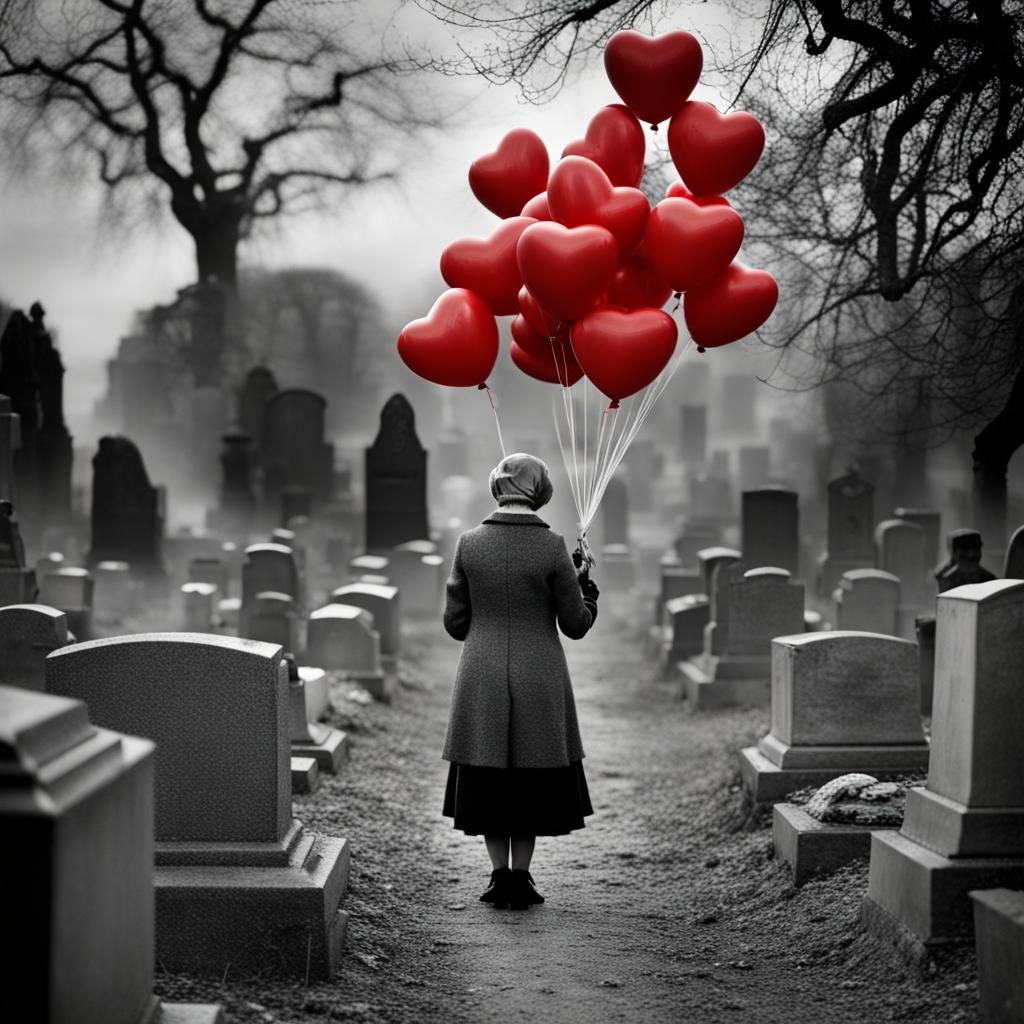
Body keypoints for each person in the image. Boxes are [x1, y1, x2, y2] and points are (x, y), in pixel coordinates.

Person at [441, 451, 600, 910]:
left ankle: (497, 876)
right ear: (540, 490)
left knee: (490, 776)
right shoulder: (553, 546)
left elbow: (455, 623)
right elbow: (574, 623)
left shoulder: (468, 543)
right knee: (528, 779)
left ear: (497, 486)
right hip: (539, 674)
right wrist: (585, 588)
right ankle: (523, 877)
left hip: (482, 672)